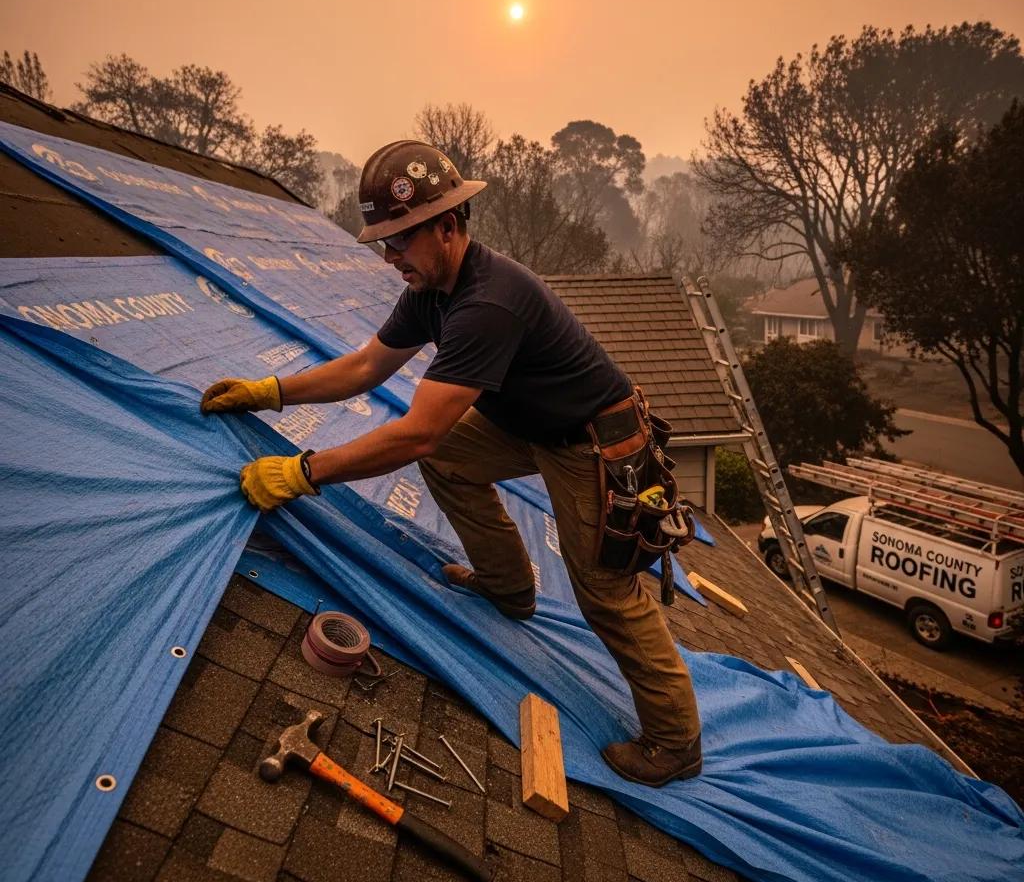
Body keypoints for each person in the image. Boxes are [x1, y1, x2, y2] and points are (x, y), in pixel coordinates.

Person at [201, 140, 702, 786]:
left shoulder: (486, 304)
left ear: (447, 226)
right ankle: (509, 586)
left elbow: (416, 432)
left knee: (604, 592)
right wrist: (271, 390)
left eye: (401, 239)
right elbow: (364, 366)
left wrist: (304, 471)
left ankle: (676, 741)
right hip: (529, 421)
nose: (390, 255)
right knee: (449, 460)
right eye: (384, 240)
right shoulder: (430, 289)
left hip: (591, 442)